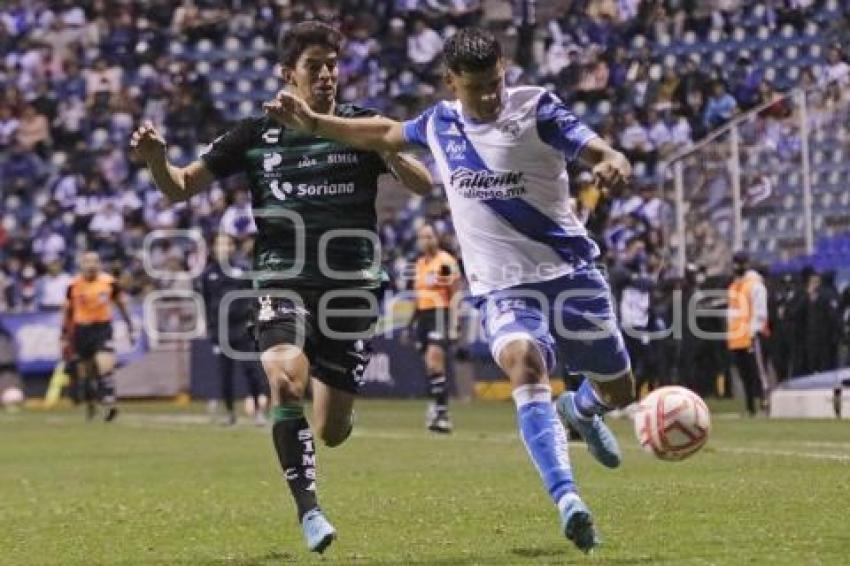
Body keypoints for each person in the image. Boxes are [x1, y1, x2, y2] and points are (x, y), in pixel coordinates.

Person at [264, 27, 635, 553]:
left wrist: (611, 159)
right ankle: (567, 499)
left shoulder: (536, 108)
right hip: (502, 287)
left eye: (496, 84)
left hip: (571, 274)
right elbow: (383, 135)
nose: (488, 97)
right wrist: (315, 123)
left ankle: (582, 409)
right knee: (525, 365)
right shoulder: (440, 123)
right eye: (476, 87)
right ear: (451, 82)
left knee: (620, 390)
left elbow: (596, 148)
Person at [130, 21, 432, 554]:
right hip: (282, 279)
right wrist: (156, 159)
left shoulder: (360, 124)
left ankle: (333, 395)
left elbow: (424, 184)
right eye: (314, 65)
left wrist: (388, 153)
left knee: (333, 430)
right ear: (287, 72)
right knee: (285, 379)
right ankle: (310, 510)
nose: (326, 75)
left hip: (351, 290)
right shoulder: (254, 135)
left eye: (332, 65)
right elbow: (179, 187)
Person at [198, 233, 266, 427]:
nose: (223, 248)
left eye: (226, 244)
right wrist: (211, 329)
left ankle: (258, 411)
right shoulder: (208, 274)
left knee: (252, 370)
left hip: (243, 328)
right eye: (219, 244)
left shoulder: (243, 269)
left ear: (232, 247)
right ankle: (229, 412)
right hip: (221, 330)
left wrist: (254, 322)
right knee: (224, 373)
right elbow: (205, 302)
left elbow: (255, 295)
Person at [61, 251, 133, 421]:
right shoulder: (73, 285)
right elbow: (67, 310)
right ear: (82, 265)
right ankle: (91, 404)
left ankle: (109, 404)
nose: (91, 265)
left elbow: (121, 303)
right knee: (86, 373)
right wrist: (64, 333)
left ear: (100, 264)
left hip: (102, 328)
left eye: (95, 261)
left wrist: (129, 324)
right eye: (88, 261)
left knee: (105, 366)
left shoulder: (109, 283)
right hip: (81, 330)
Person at [410, 223, 461, 433]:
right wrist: (410, 324)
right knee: (431, 368)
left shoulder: (446, 262)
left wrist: (455, 323)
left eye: (430, 236)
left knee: (434, 361)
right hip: (423, 316)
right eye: (422, 237)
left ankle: (442, 413)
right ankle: (436, 408)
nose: (426, 241)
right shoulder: (419, 264)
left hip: (441, 313)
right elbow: (417, 296)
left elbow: (456, 292)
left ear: (437, 238)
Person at [726, 251, 769, 416]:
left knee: (756, 372)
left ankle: (764, 403)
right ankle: (750, 407)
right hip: (737, 337)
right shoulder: (734, 286)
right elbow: (732, 312)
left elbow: (760, 312)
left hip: (750, 336)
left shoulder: (755, 285)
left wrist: (753, 331)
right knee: (744, 374)